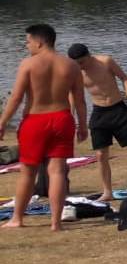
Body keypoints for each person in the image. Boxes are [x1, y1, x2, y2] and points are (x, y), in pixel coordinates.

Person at [0, 24, 88, 231]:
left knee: (28, 172)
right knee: (57, 170)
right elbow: (80, 100)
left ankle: (17, 218)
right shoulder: (71, 65)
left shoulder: (29, 64)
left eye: (28, 41)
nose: (27, 44)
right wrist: (83, 125)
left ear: (39, 41)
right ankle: (55, 222)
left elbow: (16, 98)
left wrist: (3, 122)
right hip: (62, 118)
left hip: (36, 119)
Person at [67, 43, 127, 201]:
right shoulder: (75, 72)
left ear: (89, 56)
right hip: (99, 112)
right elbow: (74, 95)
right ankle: (107, 192)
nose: (80, 66)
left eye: (82, 62)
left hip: (118, 109)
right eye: (76, 63)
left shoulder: (105, 61)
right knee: (100, 154)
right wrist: (71, 115)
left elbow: (124, 78)